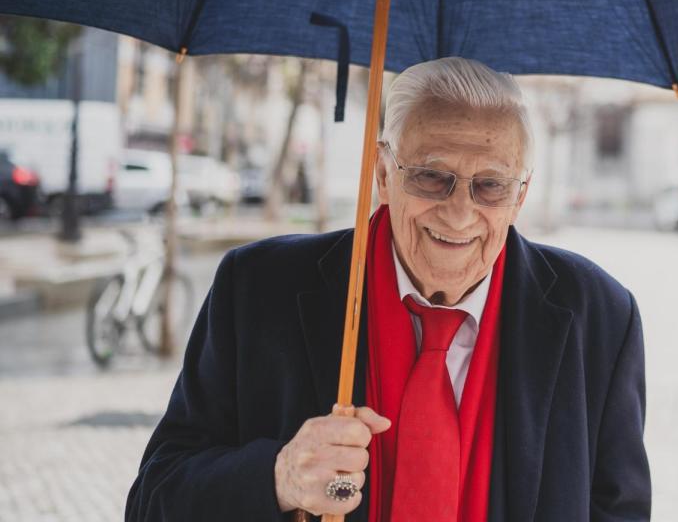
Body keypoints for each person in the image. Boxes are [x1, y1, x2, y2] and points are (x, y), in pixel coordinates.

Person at [126, 57, 650, 521]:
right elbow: (154, 499)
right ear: (382, 171)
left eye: (490, 184)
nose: (460, 211)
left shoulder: (600, 318)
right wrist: (279, 477)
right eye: (431, 177)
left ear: (520, 195)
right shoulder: (258, 288)